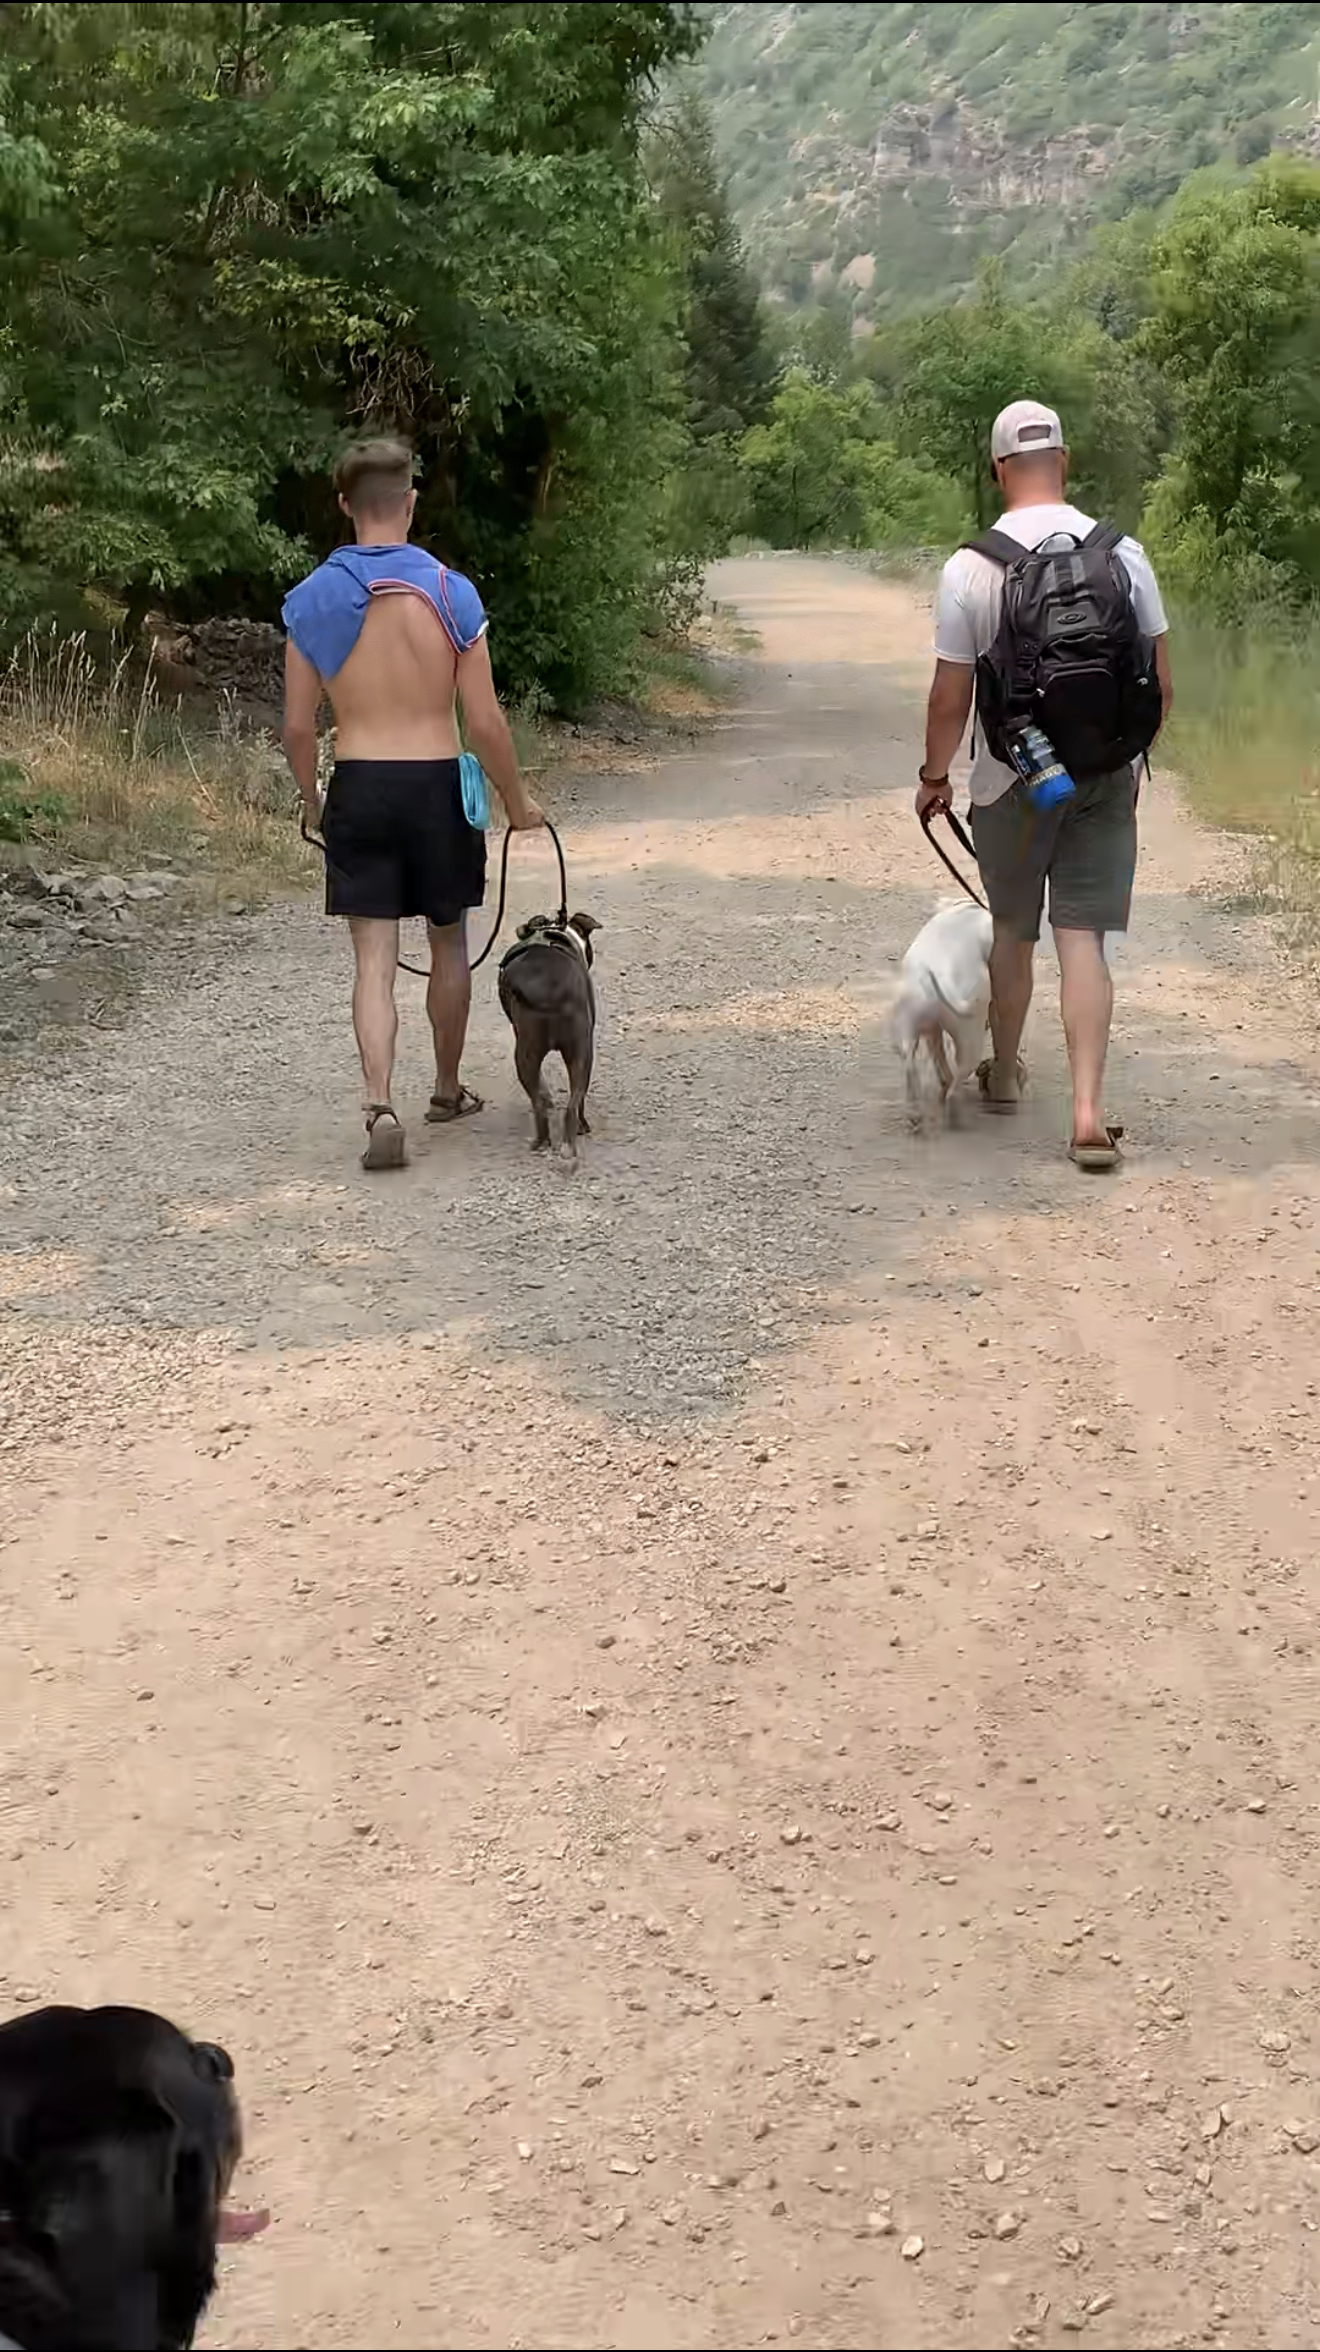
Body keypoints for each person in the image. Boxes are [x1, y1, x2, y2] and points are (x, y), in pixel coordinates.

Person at [917, 399, 1172, 1170]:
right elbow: (1159, 686)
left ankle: (1000, 1072)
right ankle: (1088, 1115)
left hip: (1011, 780)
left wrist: (934, 779)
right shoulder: (1123, 555)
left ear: (999, 471)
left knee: (1013, 932)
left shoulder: (970, 568)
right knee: (1084, 940)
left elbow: (949, 698)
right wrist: (1120, 763)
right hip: (1101, 777)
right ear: (1065, 460)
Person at [281, 437, 544, 1170]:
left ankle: (379, 1104)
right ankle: (448, 1087)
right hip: (436, 785)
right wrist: (517, 802)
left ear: (343, 506)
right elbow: (485, 723)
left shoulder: (312, 601)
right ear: (410, 502)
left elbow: (298, 728)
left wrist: (313, 799)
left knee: (374, 959)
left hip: (361, 783)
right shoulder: (449, 591)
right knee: (449, 939)